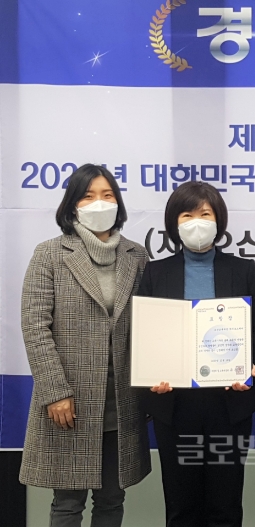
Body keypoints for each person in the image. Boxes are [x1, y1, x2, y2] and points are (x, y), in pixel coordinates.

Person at [19, 164, 151, 526]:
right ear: (72, 204)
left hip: (121, 400)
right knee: (67, 503)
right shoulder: (49, 254)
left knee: (111, 500)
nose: (99, 203)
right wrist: (55, 392)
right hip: (69, 401)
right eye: (88, 196)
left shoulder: (137, 256)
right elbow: (35, 327)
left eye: (107, 195)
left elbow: (150, 326)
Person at [138, 181, 255, 527]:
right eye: (187, 215)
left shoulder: (243, 270)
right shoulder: (155, 272)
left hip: (229, 402)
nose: (196, 222)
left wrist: (246, 364)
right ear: (174, 223)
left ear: (218, 221)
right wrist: (153, 371)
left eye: (205, 214)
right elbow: (145, 334)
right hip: (174, 403)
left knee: (225, 506)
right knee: (181, 506)